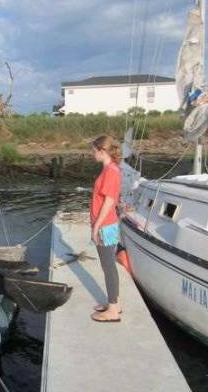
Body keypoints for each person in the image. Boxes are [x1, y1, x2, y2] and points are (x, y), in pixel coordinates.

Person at [89, 135, 122, 322]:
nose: (92, 154)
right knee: (108, 265)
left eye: (94, 151)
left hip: (105, 225)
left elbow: (109, 202)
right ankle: (114, 303)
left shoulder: (111, 171)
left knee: (108, 266)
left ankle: (113, 309)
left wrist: (97, 226)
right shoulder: (111, 169)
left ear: (103, 151)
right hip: (106, 224)